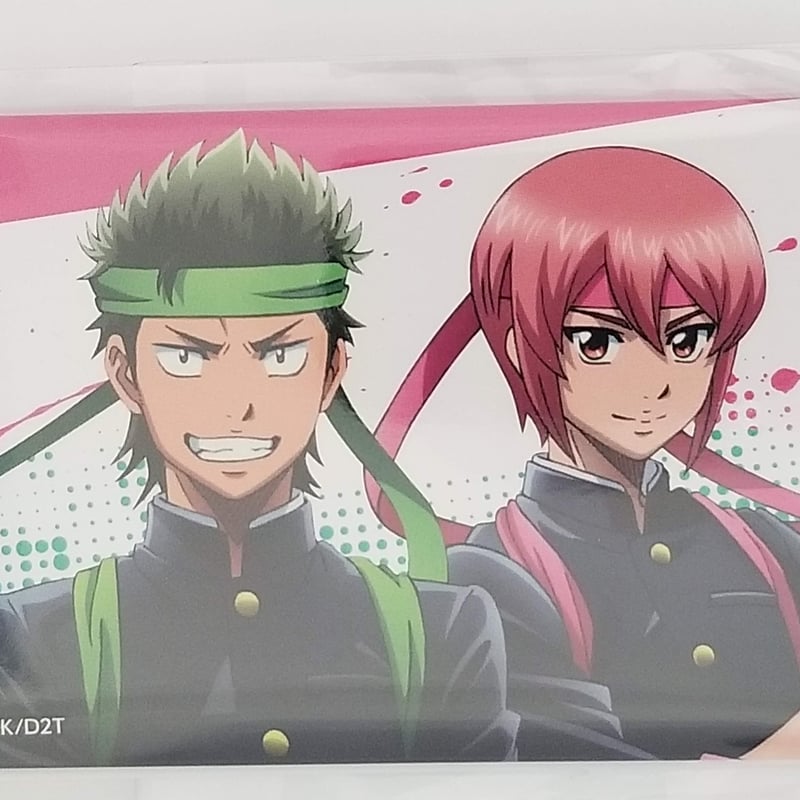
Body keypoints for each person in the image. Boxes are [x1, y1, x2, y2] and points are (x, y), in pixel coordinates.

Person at [0, 131, 521, 767]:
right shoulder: (30, 636)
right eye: (187, 357)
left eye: (279, 355)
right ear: (125, 373)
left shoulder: (444, 632)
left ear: (331, 371)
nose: (236, 405)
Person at [367, 146, 800, 760]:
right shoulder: (486, 580)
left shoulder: (767, 544)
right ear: (520, 346)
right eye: (599, 341)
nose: (653, 383)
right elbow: (581, 775)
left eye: (687, 338)